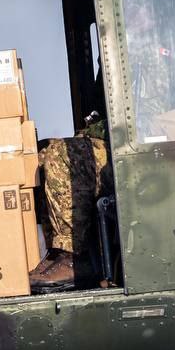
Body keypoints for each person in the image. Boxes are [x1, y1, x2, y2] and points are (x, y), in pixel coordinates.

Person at [30, 81, 113, 292]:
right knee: (42, 153)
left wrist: (93, 131)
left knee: (60, 155)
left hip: (144, 149)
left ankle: (75, 256)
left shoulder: (148, 55)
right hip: (113, 142)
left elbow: (144, 116)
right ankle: (59, 251)